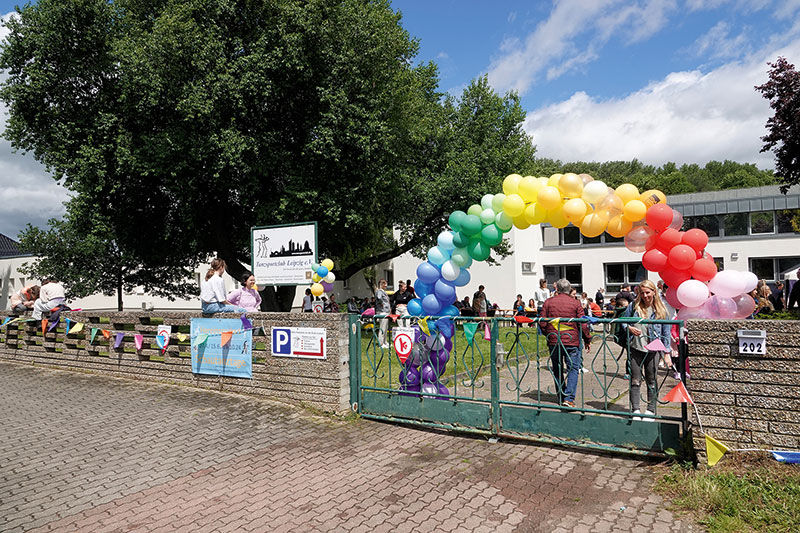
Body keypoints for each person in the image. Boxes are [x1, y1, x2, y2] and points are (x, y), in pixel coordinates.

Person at [622, 280, 671, 420]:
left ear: (654, 292)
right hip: (636, 347)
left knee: (651, 380)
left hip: (653, 350)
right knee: (635, 380)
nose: (645, 296)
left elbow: (666, 332)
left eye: (647, 292)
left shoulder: (661, 309)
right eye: (642, 293)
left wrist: (666, 353)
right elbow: (623, 321)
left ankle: (650, 410)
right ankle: (635, 409)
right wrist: (629, 328)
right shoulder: (633, 306)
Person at [540, 279, 592, 408]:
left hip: (554, 340)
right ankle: (568, 398)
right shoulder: (575, 303)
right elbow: (583, 323)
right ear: (569, 290)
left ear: (557, 289)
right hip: (571, 340)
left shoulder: (548, 302)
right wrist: (587, 339)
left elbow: (542, 322)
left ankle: (561, 395)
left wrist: (549, 334)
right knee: (573, 369)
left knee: (557, 368)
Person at [375, 279, 391, 349]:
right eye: (385, 284)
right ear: (382, 284)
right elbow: (379, 298)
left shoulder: (383, 291)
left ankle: (385, 342)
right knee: (382, 328)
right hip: (382, 311)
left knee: (385, 328)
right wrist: (382, 303)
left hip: (386, 311)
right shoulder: (379, 291)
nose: (386, 286)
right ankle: (381, 343)